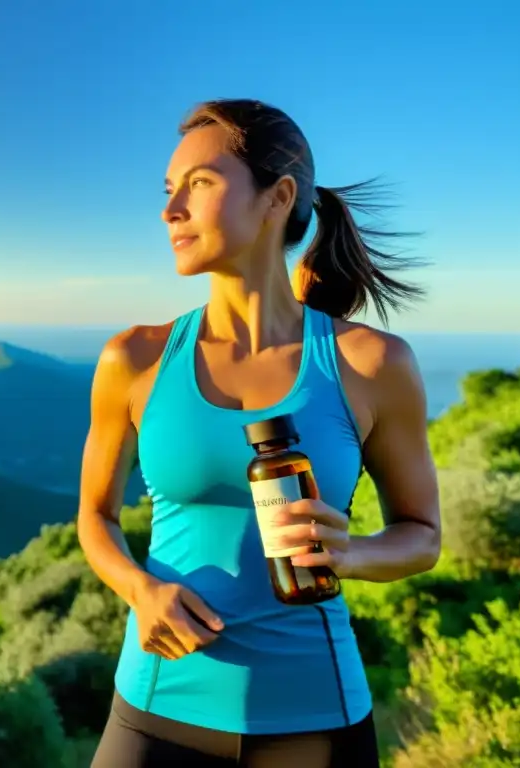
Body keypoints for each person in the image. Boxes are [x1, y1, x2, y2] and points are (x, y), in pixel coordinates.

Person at [77, 99, 442, 767]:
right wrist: (139, 590)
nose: (170, 211)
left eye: (201, 184)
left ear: (277, 198)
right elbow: (94, 518)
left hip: (314, 721)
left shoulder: (372, 364)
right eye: (169, 190)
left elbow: (422, 536)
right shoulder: (134, 358)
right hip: (155, 712)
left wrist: (353, 555)